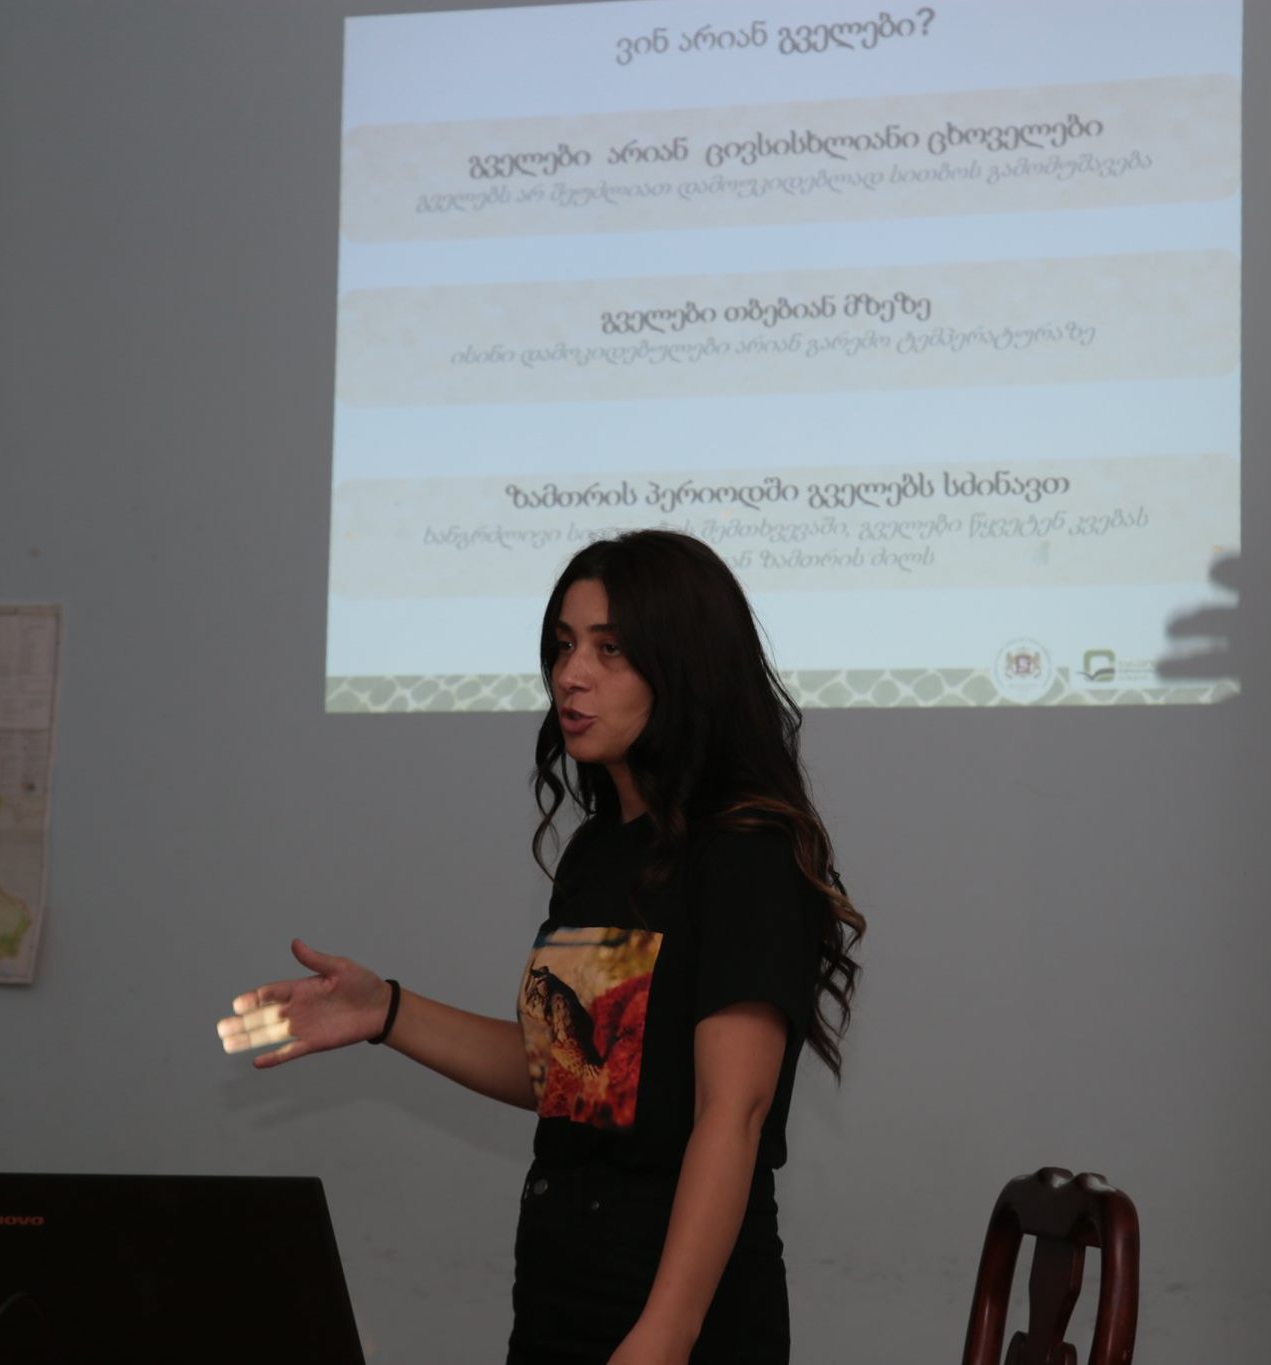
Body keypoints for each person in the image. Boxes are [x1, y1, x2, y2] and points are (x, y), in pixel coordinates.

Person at [217, 529, 865, 1365]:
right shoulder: (596, 851)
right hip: (564, 1282)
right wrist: (386, 1011)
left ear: (685, 666)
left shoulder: (746, 851)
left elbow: (730, 1113)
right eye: (563, 645)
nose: (570, 674)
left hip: (678, 1300)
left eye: (609, 649)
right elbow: (574, 1073)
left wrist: (665, 1333)